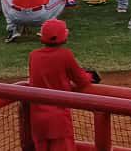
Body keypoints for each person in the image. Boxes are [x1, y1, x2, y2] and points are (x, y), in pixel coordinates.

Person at [27, 19, 94, 150]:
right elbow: (81, 81)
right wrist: (90, 76)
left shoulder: (33, 55)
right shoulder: (65, 55)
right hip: (58, 119)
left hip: (37, 119)